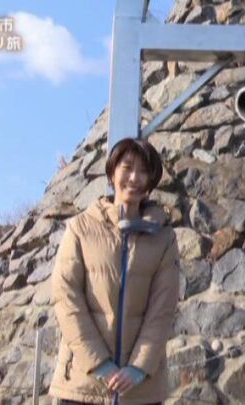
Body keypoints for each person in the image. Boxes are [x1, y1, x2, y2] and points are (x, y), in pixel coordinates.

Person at [49, 138, 179, 405]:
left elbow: (163, 308)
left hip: (140, 392)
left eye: (143, 171)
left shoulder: (164, 238)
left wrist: (139, 367)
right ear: (111, 173)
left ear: (151, 180)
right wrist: (99, 363)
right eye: (127, 168)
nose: (134, 178)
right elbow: (65, 297)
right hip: (83, 384)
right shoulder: (80, 228)